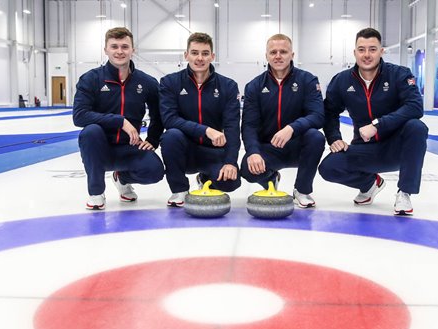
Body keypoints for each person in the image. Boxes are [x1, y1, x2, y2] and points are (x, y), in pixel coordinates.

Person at [318, 27, 428, 215]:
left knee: (417, 127)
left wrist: (378, 125)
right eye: (361, 49)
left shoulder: (399, 75)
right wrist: (334, 138)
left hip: (396, 149)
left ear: (381, 51)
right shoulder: (343, 80)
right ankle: (370, 184)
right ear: (355, 52)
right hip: (364, 149)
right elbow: (329, 112)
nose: (366, 55)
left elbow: (415, 107)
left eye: (372, 49)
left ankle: (404, 193)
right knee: (328, 168)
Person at [73, 27, 164, 210]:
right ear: (106, 50)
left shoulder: (146, 82)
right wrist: (119, 120)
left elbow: (159, 115)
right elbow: (79, 116)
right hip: (99, 148)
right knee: (91, 131)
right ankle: (96, 192)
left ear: (133, 50)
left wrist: (152, 140)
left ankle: (121, 178)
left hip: (129, 147)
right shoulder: (91, 79)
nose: (120, 51)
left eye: (125, 46)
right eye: (114, 46)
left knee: (155, 171)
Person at [240, 33, 325, 208]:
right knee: (247, 169)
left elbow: (317, 116)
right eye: (273, 52)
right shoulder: (254, 86)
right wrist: (254, 152)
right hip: (269, 148)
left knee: (316, 137)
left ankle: (302, 190)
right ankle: (271, 178)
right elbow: (249, 125)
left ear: (292, 55)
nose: (278, 56)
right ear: (266, 56)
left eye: (283, 51)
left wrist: (292, 128)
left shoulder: (307, 80)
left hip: (298, 146)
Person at [159, 32, 241, 207]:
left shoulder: (228, 86)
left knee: (230, 183)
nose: (199, 58)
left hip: (213, 151)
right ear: (186, 55)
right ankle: (179, 190)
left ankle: (205, 178)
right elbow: (170, 119)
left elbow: (232, 127)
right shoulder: (170, 82)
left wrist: (230, 162)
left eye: (205, 53)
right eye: (195, 52)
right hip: (184, 150)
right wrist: (206, 130)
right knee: (170, 136)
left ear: (212, 56)